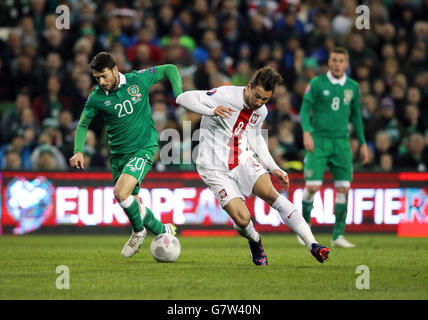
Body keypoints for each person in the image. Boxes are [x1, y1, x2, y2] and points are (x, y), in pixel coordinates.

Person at [176, 66, 330, 265]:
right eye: (256, 96)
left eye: (264, 99)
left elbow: (255, 137)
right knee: (242, 219)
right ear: (249, 87)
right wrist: (211, 110)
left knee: (272, 194)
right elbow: (182, 99)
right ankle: (255, 239)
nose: (259, 103)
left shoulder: (261, 111)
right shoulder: (224, 94)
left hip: (241, 158)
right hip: (213, 166)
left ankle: (312, 244)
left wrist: (274, 167)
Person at [70, 52, 183, 258]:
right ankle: (163, 231)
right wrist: (78, 150)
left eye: (104, 76)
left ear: (115, 69)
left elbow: (170, 69)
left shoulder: (137, 80)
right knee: (134, 206)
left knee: (120, 194)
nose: (101, 82)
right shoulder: (96, 97)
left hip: (143, 148)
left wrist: (178, 94)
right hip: (118, 156)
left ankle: (138, 233)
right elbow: (83, 123)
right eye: (97, 78)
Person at [299, 47, 370, 248]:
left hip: (342, 143)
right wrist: (306, 132)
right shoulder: (316, 83)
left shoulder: (352, 87)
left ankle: (338, 235)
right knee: (312, 187)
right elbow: (305, 110)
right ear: (329, 63)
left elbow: (356, 116)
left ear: (346, 64)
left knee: (343, 189)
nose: (337, 64)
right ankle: (305, 228)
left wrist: (363, 142)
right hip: (319, 141)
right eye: (334, 60)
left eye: (341, 60)